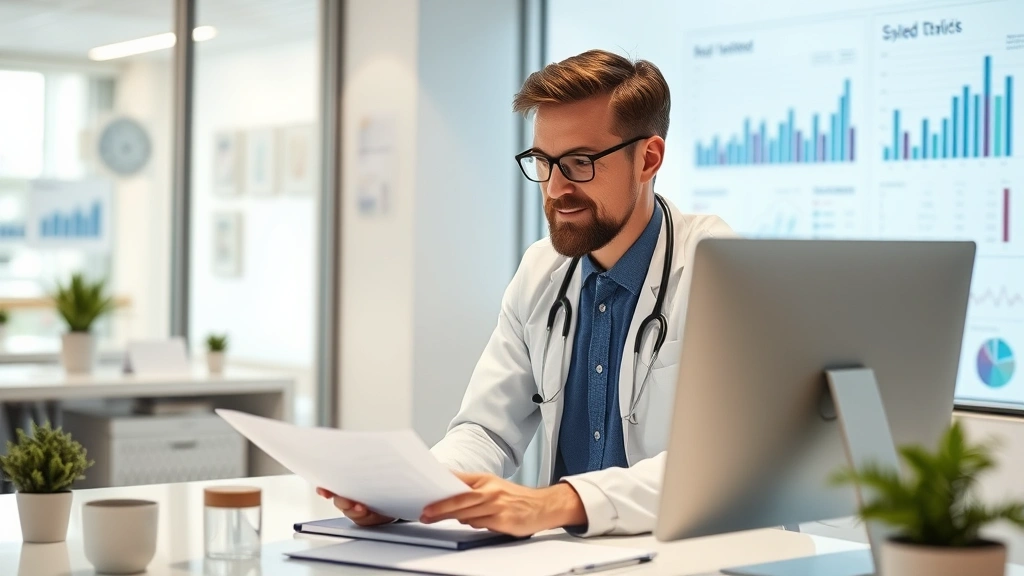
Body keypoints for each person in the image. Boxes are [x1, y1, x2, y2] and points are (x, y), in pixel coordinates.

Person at [318, 48, 733, 538]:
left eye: (580, 162)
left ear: (648, 158)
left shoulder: (718, 268)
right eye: (543, 161)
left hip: (693, 556)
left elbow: (723, 465)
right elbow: (486, 430)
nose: (556, 188)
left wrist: (557, 502)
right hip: (574, 559)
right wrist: (415, 493)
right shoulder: (542, 270)